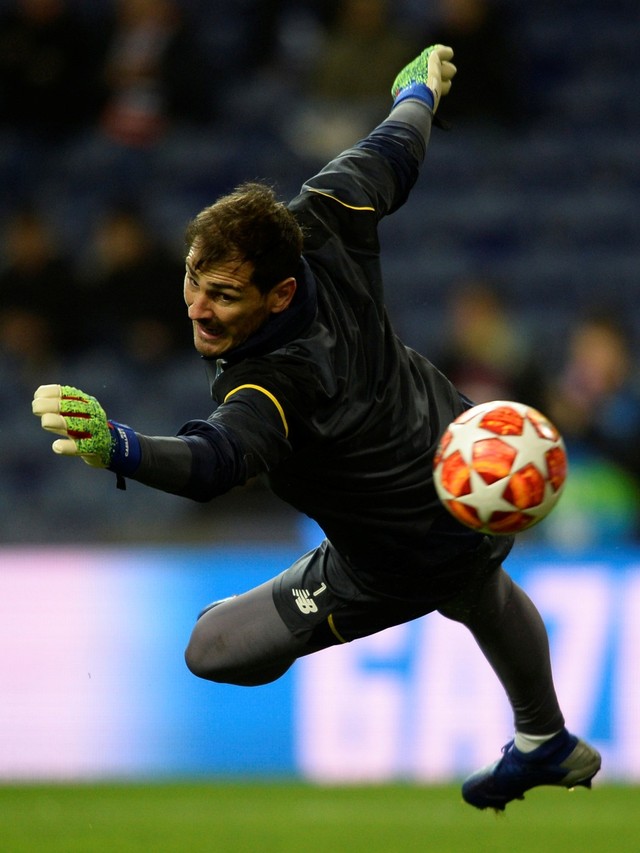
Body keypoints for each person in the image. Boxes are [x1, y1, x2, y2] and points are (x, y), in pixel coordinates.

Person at [31, 45, 600, 811]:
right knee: (478, 585)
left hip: (396, 553)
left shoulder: (274, 380)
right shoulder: (327, 208)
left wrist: (118, 446)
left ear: (281, 291)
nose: (197, 307)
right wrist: (420, 92)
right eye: (194, 277)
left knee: (211, 646)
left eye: (224, 295)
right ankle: (544, 738)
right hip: (470, 456)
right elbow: (395, 147)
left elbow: (214, 462)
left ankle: (529, 728)